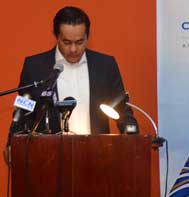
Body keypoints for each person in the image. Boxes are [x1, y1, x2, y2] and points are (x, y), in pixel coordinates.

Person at [13, 6, 136, 135]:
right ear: (56, 36)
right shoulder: (34, 66)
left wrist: (132, 134)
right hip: (50, 153)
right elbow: (22, 110)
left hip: (96, 151)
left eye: (79, 42)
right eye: (66, 42)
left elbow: (122, 109)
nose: (73, 49)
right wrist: (11, 143)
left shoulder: (105, 65)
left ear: (88, 36)